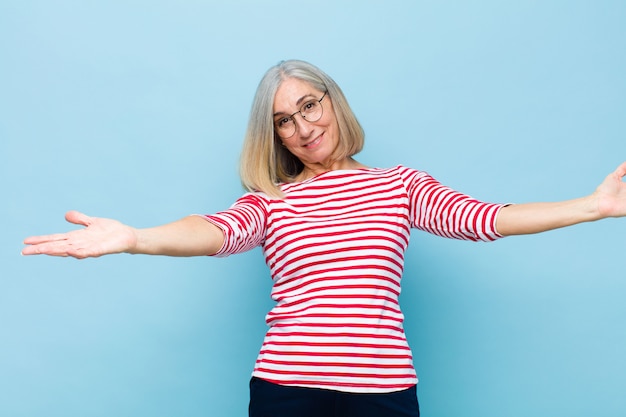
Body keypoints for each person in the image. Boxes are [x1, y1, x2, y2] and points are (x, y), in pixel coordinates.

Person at [21, 59, 626, 417]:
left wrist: (594, 207)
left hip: (382, 392)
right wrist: (134, 237)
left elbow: (486, 218)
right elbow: (211, 232)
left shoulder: (400, 185)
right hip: (287, 391)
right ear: (276, 136)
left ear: (333, 102)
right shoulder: (271, 199)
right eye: (284, 120)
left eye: (310, 106)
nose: (303, 127)